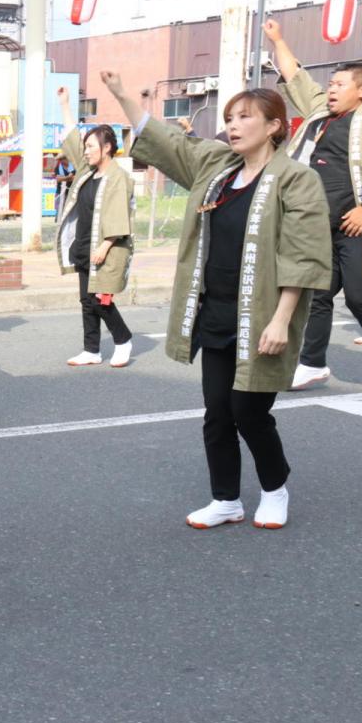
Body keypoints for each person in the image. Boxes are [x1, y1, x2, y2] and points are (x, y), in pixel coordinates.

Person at [105, 69, 331, 531]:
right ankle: (225, 498)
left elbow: (302, 253)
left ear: (273, 126)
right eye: (229, 117)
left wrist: (281, 320)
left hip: (263, 313)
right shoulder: (216, 166)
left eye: (244, 117)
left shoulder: (296, 179)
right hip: (216, 309)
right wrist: (124, 93)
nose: (232, 125)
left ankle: (274, 488)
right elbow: (170, 143)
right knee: (216, 413)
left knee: (249, 411)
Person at [264, 19, 362, 390]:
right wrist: (279, 38)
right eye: (330, 84)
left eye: (339, 85)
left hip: (357, 223)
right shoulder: (319, 114)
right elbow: (295, 74)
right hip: (315, 223)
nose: (331, 90)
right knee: (316, 295)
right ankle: (312, 362)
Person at [55, 85, 135, 368]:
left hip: (105, 250)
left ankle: (123, 339)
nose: (86, 151)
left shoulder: (118, 177)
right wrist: (65, 105)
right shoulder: (87, 171)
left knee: (101, 299)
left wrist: (105, 245)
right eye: (86, 147)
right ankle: (91, 349)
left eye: (92, 146)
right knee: (87, 301)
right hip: (84, 247)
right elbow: (73, 140)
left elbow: (119, 215)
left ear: (108, 147)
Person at [54, 154, 75, 221]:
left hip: (72, 192)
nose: (60, 161)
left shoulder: (74, 166)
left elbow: (74, 178)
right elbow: (58, 179)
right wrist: (68, 177)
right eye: (59, 160)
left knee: (70, 211)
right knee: (59, 209)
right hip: (60, 192)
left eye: (62, 159)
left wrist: (63, 178)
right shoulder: (58, 168)